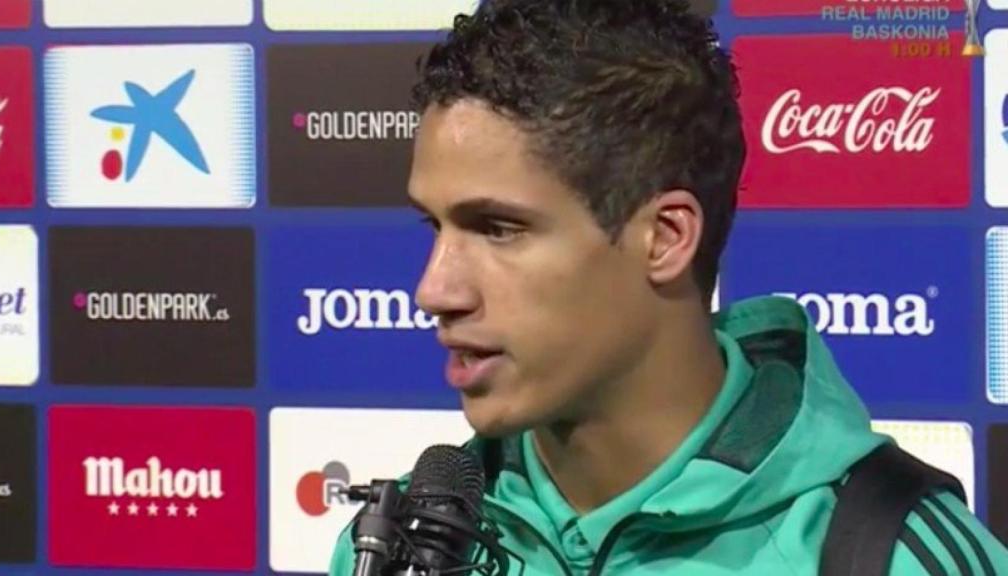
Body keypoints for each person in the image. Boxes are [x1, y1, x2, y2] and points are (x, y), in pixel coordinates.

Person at [329, 0, 1008, 573]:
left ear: (665, 237)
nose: (434, 289)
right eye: (435, 226)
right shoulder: (405, 543)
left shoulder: (894, 554)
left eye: (499, 228)